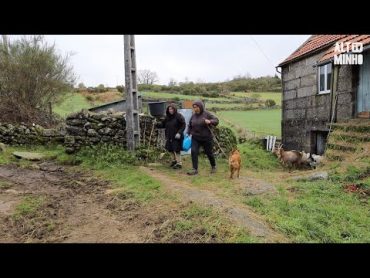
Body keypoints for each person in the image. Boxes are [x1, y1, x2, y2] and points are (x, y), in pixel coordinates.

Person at [187, 100, 219, 175]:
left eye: (197, 107)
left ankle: (213, 166)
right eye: (194, 107)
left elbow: (216, 120)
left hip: (206, 138)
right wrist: (188, 133)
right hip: (195, 138)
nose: (195, 109)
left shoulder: (207, 114)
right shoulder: (193, 115)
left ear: (200, 106)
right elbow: (190, 125)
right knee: (194, 151)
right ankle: (194, 169)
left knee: (209, 153)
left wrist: (210, 121)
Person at [156, 103, 186, 169]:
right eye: (169, 109)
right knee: (170, 149)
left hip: (177, 136)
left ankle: (179, 163)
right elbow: (163, 125)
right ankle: (174, 161)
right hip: (169, 136)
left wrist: (179, 133)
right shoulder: (167, 117)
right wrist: (157, 124)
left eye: (172, 109)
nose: (171, 110)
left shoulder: (179, 116)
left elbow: (183, 125)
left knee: (177, 149)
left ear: (175, 109)